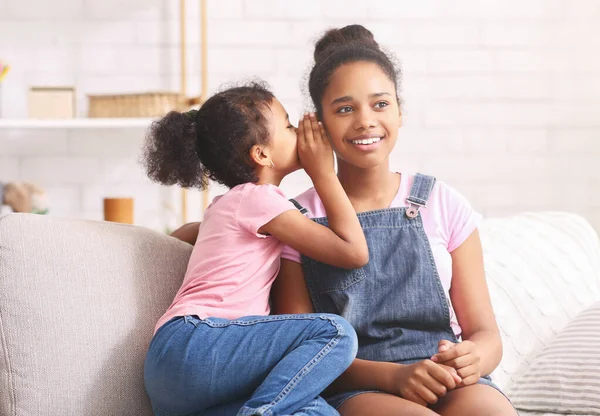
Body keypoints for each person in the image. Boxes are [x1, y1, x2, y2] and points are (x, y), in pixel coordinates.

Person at [270, 25, 517, 416]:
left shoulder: (443, 203)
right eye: (345, 109)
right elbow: (300, 355)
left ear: (400, 111)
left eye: (380, 104)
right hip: (358, 384)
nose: (365, 121)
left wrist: (474, 359)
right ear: (318, 125)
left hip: (445, 375)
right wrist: (395, 377)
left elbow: (486, 335)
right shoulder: (296, 220)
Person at [142, 82, 369, 416]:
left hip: (176, 371)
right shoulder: (260, 199)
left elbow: (186, 233)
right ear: (262, 154)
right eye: (290, 126)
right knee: (335, 332)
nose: (299, 133)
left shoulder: (229, 206)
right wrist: (323, 172)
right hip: (197, 346)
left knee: (318, 412)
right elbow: (354, 252)